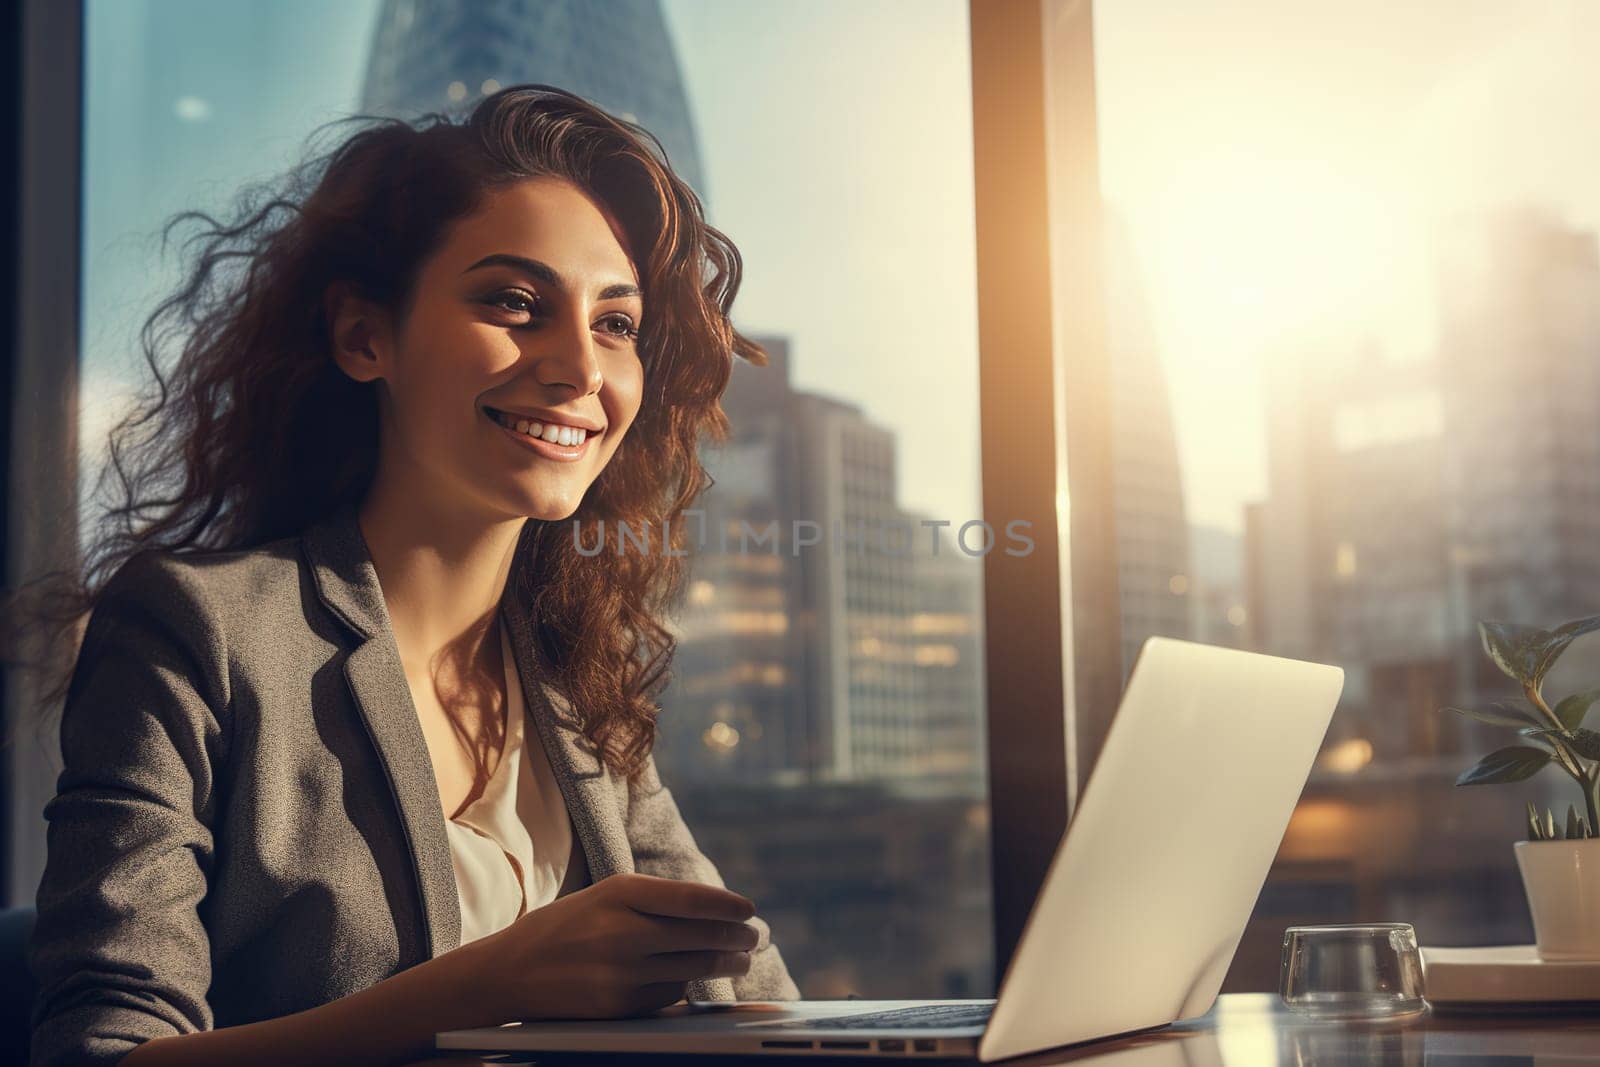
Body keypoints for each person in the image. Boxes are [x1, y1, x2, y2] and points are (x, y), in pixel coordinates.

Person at [13, 82, 800, 1067]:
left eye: (615, 323)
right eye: (514, 302)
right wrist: (487, 983)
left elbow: (752, 997)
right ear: (363, 336)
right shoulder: (190, 627)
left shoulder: (566, 670)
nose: (580, 369)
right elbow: (102, 1053)